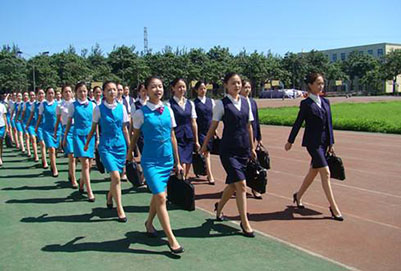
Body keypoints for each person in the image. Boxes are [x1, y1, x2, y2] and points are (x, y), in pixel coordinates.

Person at [127, 76, 184, 254]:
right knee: (161, 196)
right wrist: (130, 155)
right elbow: (135, 136)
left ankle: (149, 223)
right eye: (153, 87)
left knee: (158, 196)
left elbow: (172, 136)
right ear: (146, 90)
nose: (157, 90)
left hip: (166, 159)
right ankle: (171, 238)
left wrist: (178, 162)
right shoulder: (140, 113)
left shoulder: (168, 110)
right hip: (150, 161)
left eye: (159, 87)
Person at [201, 72, 256, 238]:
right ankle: (244, 221)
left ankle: (219, 209)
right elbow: (213, 126)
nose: (237, 86)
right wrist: (205, 144)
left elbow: (249, 126)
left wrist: (252, 147)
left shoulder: (246, 102)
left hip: (243, 149)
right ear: (226, 85)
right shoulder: (221, 104)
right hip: (228, 151)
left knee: (233, 185)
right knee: (241, 185)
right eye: (233, 83)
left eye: (239, 83)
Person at [284, 72, 343, 221]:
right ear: (310, 85)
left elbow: (329, 124)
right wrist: (290, 141)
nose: (321, 86)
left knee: (314, 172)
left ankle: (298, 196)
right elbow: (298, 123)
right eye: (318, 83)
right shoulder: (306, 104)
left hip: (324, 143)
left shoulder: (326, 102)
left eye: (322, 83)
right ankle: (333, 207)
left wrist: (331, 143)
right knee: (326, 172)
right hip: (313, 144)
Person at [85, 81, 130, 222]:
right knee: (116, 176)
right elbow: (93, 128)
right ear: (103, 92)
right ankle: (120, 208)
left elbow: (124, 129)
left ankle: (110, 196)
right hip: (106, 147)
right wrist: (88, 144)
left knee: (116, 177)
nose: (112, 92)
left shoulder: (122, 108)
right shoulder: (98, 109)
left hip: (120, 146)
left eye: (114, 89)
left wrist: (130, 146)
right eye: (109, 90)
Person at [64, 82, 96, 202]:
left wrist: (97, 137)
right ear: (75, 93)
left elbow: (95, 123)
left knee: (90, 164)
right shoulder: (73, 106)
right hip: (78, 136)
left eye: (84, 91)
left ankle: (82, 184)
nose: (82, 93)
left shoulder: (92, 105)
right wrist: (65, 135)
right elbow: (69, 122)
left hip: (90, 136)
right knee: (85, 164)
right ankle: (90, 192)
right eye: (79, 91)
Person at [168, 78, 200, 179]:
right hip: (176, 137)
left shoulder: (190, 103)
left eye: (183, 87)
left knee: (188, 162)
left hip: (188, 137)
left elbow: (193, 122)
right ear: (173, 88)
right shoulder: (169, 104)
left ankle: (183, 181)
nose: (182, 89)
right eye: (179, 87)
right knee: (181, 163)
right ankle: (181, 181)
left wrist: (196, 140)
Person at [240, 79, 263, 199]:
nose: (247, 90)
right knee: (243, 162)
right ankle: (238, 184)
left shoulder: (253, 102)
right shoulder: (238, 102)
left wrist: (259, 137)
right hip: (242, 136)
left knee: (254, 162)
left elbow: (256, 121)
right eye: (245, 87)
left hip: (252, 135)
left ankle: (255, 187)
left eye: (249, 87)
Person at [193, 81, 215, 185]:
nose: (203, 90)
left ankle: (199, 169)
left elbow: (214, 117)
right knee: (206, 153)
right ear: (196, 90)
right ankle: (210, 175)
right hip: (200, 131)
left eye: (204, 88)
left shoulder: (211, 101)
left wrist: (215, 130)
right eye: (201, 89)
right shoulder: (194, 103)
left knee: (205, 152)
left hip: (209, 131)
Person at [57, 85, 78, 188]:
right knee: (72, 155)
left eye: (69, 91)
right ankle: (74, 180)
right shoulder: (60, 105)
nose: (68, 93)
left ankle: (71, 172)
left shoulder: (76, 104)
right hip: (67, 130)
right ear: (62, 93)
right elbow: (58, 120)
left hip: (77, 130)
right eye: (65, 92)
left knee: (77, 157)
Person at [36, 87, 59, 177]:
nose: (50, 95)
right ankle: (54, 169)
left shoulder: (57, 104)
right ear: (46, 94)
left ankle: (52, 162)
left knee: (55, 149)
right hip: (47, 129)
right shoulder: (43, 104)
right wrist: (37, 127)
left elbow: (60, 117)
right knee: (51, 148)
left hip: (57, 129)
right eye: (49, 93)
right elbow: (40, 117)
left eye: (52, 93)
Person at [129, 83, 147, 154]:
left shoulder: (151, 103)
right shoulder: (135, 105)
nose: (145, 93)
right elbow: (132, 121)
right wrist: (131, 134)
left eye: (146, 90)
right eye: (143, 91)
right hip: (140, 134)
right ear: (139, 92)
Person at [32, 89, 48, 169]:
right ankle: (44, 161)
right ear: (36, 95)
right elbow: (32, 115)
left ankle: (49, 160)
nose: (41, 95)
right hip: (39, 126)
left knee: (49, 146)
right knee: (42, 143)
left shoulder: (47, 103)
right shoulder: (34, 105)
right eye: (39, 93)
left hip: (48, 126)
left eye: (42, 93)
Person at [21, 91, 38, 160]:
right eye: (30, 95)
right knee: (32, 137)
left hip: (36, 122)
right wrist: (21, 121)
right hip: (29, 122)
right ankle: (34, 154)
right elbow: (23, 113)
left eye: (33, 95)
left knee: (38, 139)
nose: (32, 96)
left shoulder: (38, 103)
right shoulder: (26, 104)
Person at [0, 100, 8, 166]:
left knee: (1, 143)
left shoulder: (2, 106)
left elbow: (4, 117)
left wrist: (7, 127)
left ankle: (0, 156)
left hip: (2, 126)